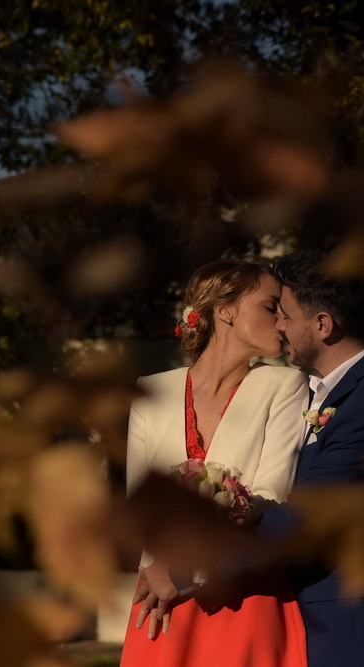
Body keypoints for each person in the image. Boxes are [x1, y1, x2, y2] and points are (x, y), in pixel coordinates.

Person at [121, 258, 309, 666]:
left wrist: (187, 572)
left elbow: (270, 494)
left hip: (244, 592)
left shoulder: (286, 385)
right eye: (270, 306)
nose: (282, 320)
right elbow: (140, 502)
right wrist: (159, 572)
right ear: (224, 310)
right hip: (161, 596)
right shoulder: (150, 391)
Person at [255, 248, 364, 666]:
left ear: (323, 325)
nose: (279, 326)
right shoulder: (315, 393)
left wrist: (194, 562)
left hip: (348, 629)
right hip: (305, 621)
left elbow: (303, 519)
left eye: (286, 314)